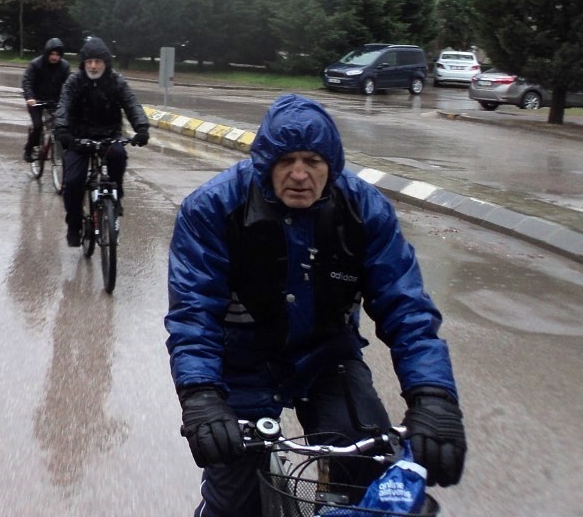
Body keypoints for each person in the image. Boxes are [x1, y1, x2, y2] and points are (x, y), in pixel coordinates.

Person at [164, 94, 466, 517]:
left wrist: (434, 397)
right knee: (234, 503)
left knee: (364, 477)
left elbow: (407, 309)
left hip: (328, 359)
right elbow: (194, 313)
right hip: (243, 362)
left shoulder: (364, 210)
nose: (299, 175)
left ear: (333, 166)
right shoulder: (213, 208)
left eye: (313, 161)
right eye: (286, 161)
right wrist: (201, 395)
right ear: (265, 163)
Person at [54, 36, 148, 246]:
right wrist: (63, 131)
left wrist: (142, 128)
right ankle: (74, 225)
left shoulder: (116, 81)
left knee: (119, 155)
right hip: (78, 138)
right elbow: (63, 106)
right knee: (73, 182)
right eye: (89, 62)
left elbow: (132, 104)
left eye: (98, 61)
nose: (94, 66)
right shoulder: (74, 82)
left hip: (109, 135)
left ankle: (117, 196)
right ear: (84, 63)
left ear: (106, 63)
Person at [21, 37, 72, 163]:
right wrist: (30, 97)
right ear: (47, 53)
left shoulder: (64, 67)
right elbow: (27, 81)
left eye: (57, 55)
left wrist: (69, 100)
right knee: (38, 126)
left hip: (54, 100)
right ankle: (29, 149)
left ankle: (60, 151)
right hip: (36, 100)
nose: (54, 57)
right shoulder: (36, 64)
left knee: (62, 124)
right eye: (52, 54)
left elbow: (70, 85)